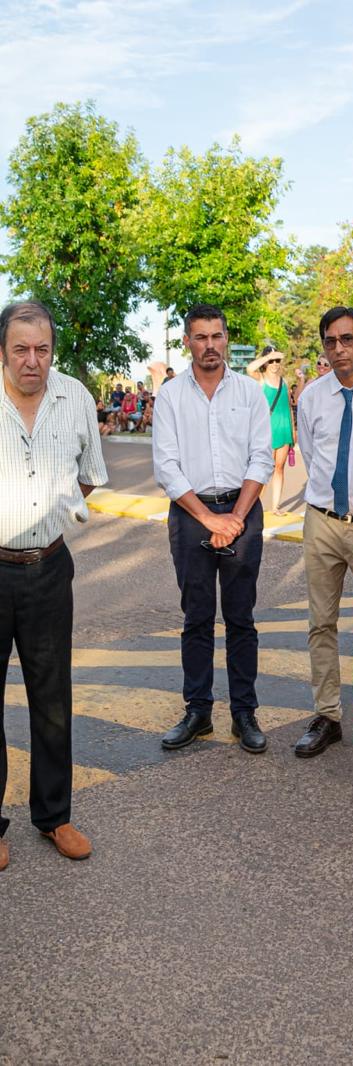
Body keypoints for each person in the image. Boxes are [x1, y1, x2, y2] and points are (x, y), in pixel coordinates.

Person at [0, 300, 107, 869]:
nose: (32, 361)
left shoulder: (76, 400)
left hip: (48, 567)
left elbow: (89, 473)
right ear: (3, 350)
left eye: (42, 349)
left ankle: (54, 817)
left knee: (52, 699)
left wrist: (51, 513)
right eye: (20, 349)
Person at [153, 304, 274, 755]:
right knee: (197, 617)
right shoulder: (170, 396)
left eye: (217, 336)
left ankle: (244, 713)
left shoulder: (249, 392)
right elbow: (166, 465)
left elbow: (261, 458)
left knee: (241, 618)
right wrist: (208, 518)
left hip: (241, 509)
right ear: (188, 341)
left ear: (226, 338)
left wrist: (235, 518)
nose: (210, 345)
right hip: (190, 515)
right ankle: (198, 711)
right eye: (200, 337)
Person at [292, 307, 353, 758]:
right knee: (321, 623)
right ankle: (327, 715)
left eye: (346, 339)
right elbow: (312, 456)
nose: (338, 349)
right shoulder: (312, 396)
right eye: (330, 341)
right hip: (321, 524)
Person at [248, 348, 297, 515]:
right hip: (266, 432)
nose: (275, 364)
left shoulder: (284, 382)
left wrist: (293, 430)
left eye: (277, 360)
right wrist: (267, 356)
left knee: (279, 468)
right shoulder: (260, 379)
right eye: (271, 361)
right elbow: (250, 369)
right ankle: (255, 506)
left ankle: (275, 506)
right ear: (265, 362)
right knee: (263, 470)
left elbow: (289, 407)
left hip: (284, 430)